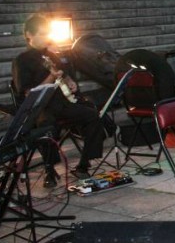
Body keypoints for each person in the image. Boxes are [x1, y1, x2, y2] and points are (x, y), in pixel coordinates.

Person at [12, 15, 106, 187]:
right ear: (29, 35)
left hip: (61, 103)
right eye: (41, 34)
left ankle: (84, 165)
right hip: (41, 108)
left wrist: (70, 82)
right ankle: (49, 169)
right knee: (47, 125)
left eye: (47, 33)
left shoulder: (51, 56)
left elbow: (63, 75)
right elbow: (28, 92)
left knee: (92, 115)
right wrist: (51, 77)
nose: (46, 37)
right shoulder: (22, 60)